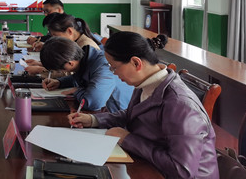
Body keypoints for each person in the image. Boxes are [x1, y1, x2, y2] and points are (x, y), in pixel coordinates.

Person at [68, 31, 218, 178]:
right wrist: (94, 120)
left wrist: (127, 139)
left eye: (114, 67)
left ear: (136, 63)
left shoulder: (181, 105)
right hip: (150, 165)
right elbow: (132, 113)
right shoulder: (146, 83)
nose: (113, 73)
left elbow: (182, 171)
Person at [40, 37, 133, 112]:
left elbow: (93, 103)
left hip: (119, 115)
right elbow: (79, 78)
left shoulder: (103, 67)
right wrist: (60, 82)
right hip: (105, 114)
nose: (61, 71)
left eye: (60, 70)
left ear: (70, 63)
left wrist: (77, 91)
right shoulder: (84, 57)